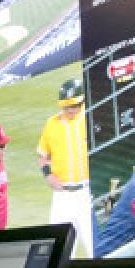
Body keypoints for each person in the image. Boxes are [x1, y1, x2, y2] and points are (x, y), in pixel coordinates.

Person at [37, 78, 93, 257]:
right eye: (66, 106)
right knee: (58, 252)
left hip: (86, 194)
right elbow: (42, 155)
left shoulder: (90, 119)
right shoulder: (51, 124)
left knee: (95, 248)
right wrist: (47, 175)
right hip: (62, 197)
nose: (70, 110)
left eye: (74, 106)